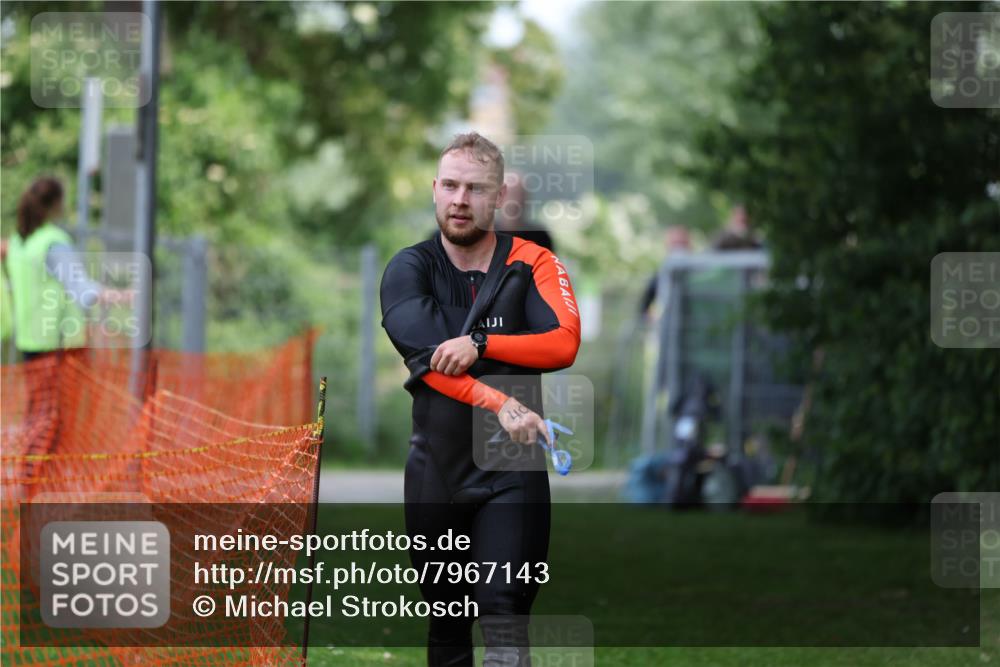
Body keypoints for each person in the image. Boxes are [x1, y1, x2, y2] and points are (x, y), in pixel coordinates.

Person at [380, 132, 581, 666]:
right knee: (447, 617)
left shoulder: (533, 262)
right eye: (449, 185)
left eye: (474, 188)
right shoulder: (409, 268)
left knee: (503, 611)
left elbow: (563, 342)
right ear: (434, 190)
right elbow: (430, 364)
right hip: (436, 468)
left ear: (498, 198)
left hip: (510, 464)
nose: (460, 199)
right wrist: (503, 403)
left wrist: (482, 343)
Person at [6, 176, 128, 496]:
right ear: (56, 204)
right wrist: (125, 295)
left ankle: (31, 483)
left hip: (32, 341)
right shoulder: (53, 241)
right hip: (60, 345)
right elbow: (82, 290)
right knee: (53, 418)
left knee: (39, 414)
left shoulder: (21, 241)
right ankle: (38, 486)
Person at [637, 225, 692, 319]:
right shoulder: (660, 276)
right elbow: (644, 309)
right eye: (675, 243)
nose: (678, 247)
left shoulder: (698, 273)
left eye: (681, 243)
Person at [495, 171, 556, 252]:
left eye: (519, 194)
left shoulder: (540, 236)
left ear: (526, 198)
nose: (515, 200)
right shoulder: (484, 235)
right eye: (510, 194)